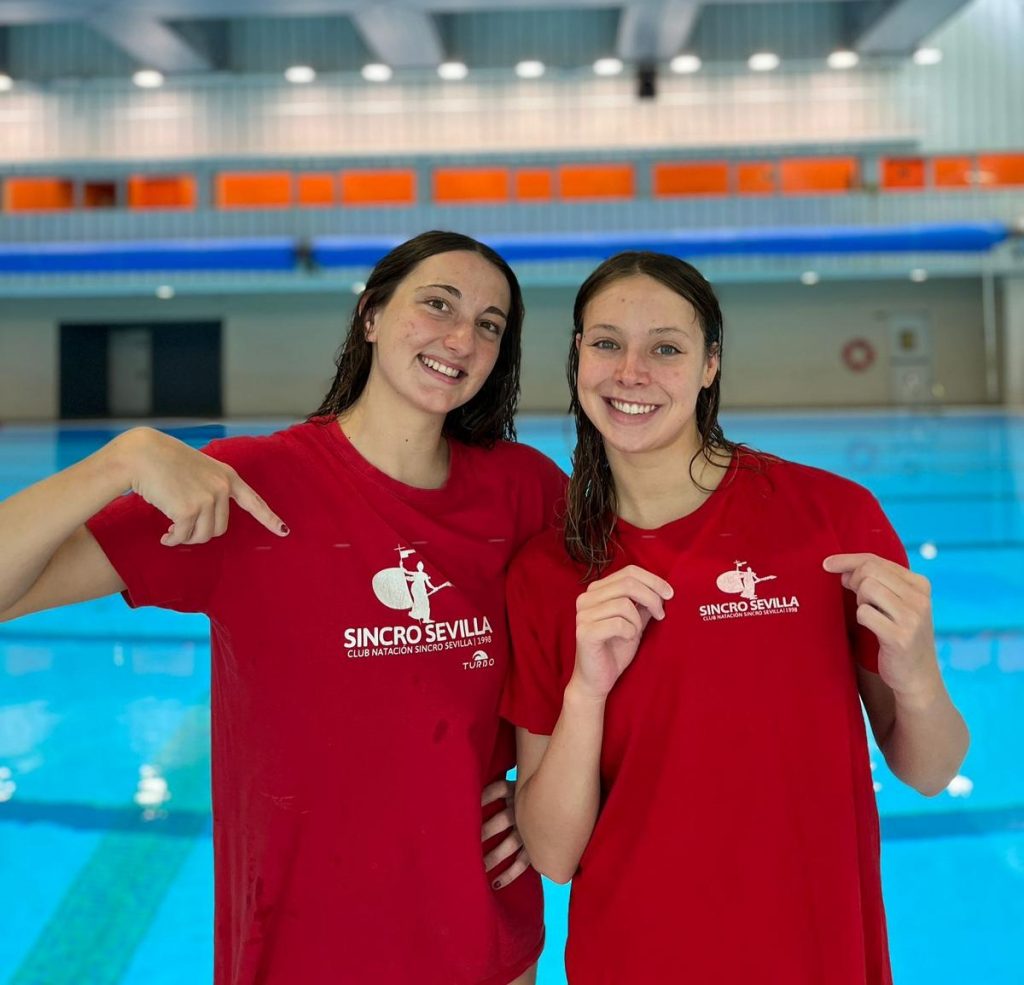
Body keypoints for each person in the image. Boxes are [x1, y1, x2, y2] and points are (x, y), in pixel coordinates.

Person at [0, 231, 566, 985]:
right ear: (371, 315)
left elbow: (633, 650)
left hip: (483, 943)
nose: (462, 338)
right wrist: (120, 459)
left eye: (489, 325)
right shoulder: (251, 486)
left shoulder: (525, 491)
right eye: (438, 304)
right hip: (300, 945)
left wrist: (548, 799)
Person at [502, 252, 969, 985]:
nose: (631, 372)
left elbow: (932, 770)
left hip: (814, 952)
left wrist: (917, 676)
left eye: (666, 348)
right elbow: (554, 854)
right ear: (577, 355)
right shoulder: (548, 571)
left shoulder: (828, 519)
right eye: (607, 343)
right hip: (635, 955)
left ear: (710, 364)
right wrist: (585, 694)